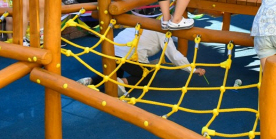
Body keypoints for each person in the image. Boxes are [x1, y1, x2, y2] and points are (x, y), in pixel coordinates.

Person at [77, 28, 205, 97]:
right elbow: (174, 55)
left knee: (115, 69)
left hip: (112, 49)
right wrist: (193, 69)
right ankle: (121, 83)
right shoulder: (164, 35)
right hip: (128, 55)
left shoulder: (145, 24)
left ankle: (90, 80)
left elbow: (142, 45)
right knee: (147, 76)